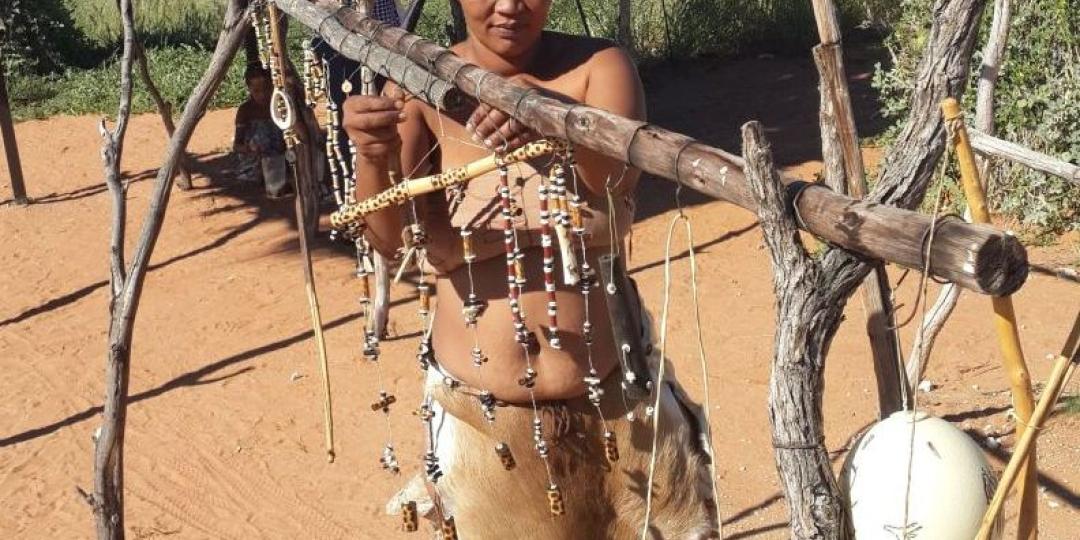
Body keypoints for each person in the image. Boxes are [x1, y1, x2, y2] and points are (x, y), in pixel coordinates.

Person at [344, 1, 718, 537]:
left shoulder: (599, 68)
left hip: (618, 404)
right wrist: (371, 156)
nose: (508, 6)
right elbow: (388, 239)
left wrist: (552, 129)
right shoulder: (417, 86)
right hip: (481, 421)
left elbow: (612, 188)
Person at [233, 64, 292, 199]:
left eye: (266, 89)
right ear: (249, 89)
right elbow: (236, 146)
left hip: (280, 158)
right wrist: (250, 148)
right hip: (257, 160)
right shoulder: (245, 110)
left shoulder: (280, 106)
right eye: (256, 91)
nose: (262, 94)